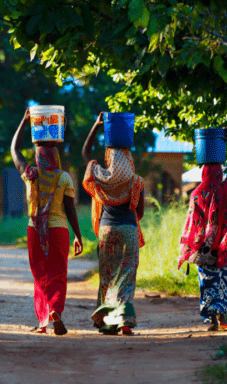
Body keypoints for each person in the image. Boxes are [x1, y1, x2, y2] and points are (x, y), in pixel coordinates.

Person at [11, 108, 83, 336]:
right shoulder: (63, 177)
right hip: (59, 230)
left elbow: (14, 150)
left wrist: (24, 122)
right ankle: (55, 310)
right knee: (58, 274)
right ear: (55, 155)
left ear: (37, 155)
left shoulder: (29, 174)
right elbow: (70, 210)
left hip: (35, 231)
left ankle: (43, 322)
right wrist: (79, 236)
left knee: (40, 274)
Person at [82, 112, 145, 336]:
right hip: (128, 229)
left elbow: (86, 153)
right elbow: (141, 213)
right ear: (128, 159)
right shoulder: (136, 181)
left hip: (106, 230)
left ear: (109, 158)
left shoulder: (99, 175)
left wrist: (97, 125)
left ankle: (106, 323)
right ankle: (124, 322)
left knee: (107, 276)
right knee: (126, 275)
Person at [178, 128, 227, 331]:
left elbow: (192, 222)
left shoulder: (197, 193)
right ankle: (222, 315)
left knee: (207, 282)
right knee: (222, 278)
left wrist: (191, 247)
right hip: (221, 244)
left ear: (203, 172)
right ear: (220, 172)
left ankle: (213, 318)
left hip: (202, 249)